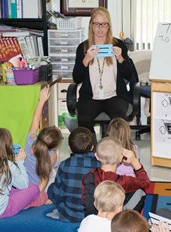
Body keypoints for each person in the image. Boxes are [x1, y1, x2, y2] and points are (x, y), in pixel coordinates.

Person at [72, 6, 137, 139]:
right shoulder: (83, 47)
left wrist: (121, 59)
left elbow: (129, 74)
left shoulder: (118, 45)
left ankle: (114, 152)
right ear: (91, 26)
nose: (100, 28)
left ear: (109, 26)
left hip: (115, 96)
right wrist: (86, 60)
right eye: (96, 24)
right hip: (90, 97)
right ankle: (90, 152)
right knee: (84, 119)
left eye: (104, 24)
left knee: (119, 122)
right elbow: (76, 78)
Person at [82, 137, 150, 216]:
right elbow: (145, 182)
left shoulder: (88, 177)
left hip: (94, 218)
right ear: (120, 158)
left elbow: (85, 202)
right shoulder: (124, 181)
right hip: (116, 221)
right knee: (141, 191)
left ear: (96, 156)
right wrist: (134, 161)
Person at [47, 127, 100, 222]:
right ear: (92, 147)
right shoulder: (99, 164)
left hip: (69, 213)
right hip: (93, 214)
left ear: (69, 148)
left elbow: (57, 191)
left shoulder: (64, 164)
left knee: (51, 189)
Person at [23, 86, 63, 206]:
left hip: (25, 184)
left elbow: (35, 120)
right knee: (56, 174)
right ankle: (44, 197)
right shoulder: (53, 155)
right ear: (54, 146)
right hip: (40, 187)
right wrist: (38, 195)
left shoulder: (31, 140)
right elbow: (44, 178)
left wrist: (41, 100)